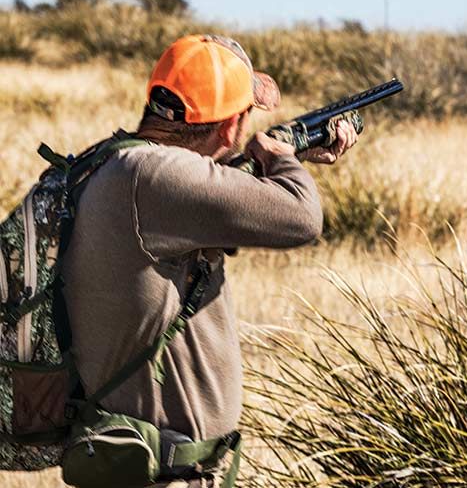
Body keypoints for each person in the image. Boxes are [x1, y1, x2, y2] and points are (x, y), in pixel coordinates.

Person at [60, 34, 358, 487]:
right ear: (227, 126)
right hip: (164, 472)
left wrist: (284, 159)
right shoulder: (156, 177)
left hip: (143, 464)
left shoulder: (120, 165)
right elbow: (302, 217)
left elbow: (210, 186)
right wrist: (282, 159)